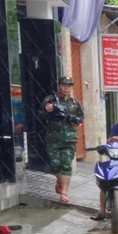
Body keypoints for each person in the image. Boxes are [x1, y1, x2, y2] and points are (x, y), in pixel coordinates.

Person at [41, 76, 84, 204]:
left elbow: (81, 118)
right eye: (64, 85)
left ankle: (64, 193)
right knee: (54, 165)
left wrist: (77, 121)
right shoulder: (50, 100)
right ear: (59, 85)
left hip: (69, 139)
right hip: (53, 138)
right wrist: (46, 110)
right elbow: (40, 116)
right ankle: (59, 180)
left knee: (66, 165)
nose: (66, 87)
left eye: (69, 85)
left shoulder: (75, 103)